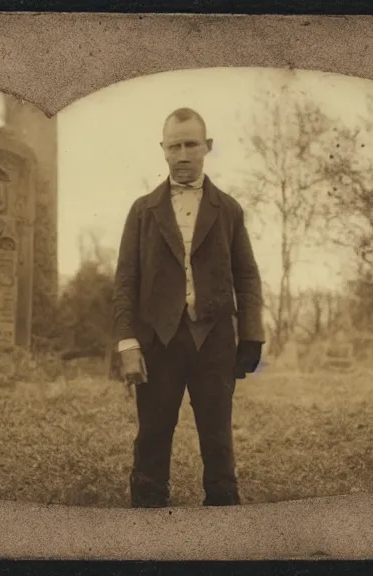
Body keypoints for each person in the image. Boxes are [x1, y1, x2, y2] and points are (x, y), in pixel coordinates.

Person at [112, 107, 265, 508]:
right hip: (157, 341)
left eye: (191, 144)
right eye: (174, 145)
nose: (183, 154)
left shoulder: (228, 210)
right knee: (153, 435)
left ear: (207, 147)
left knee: (217, 438)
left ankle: (222, 529)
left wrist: (250, 336)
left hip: (213, 341)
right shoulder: (143, 210)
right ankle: (147, 526)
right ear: (162, 150)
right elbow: (126, 280)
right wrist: (128, 344)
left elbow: (247, 276)